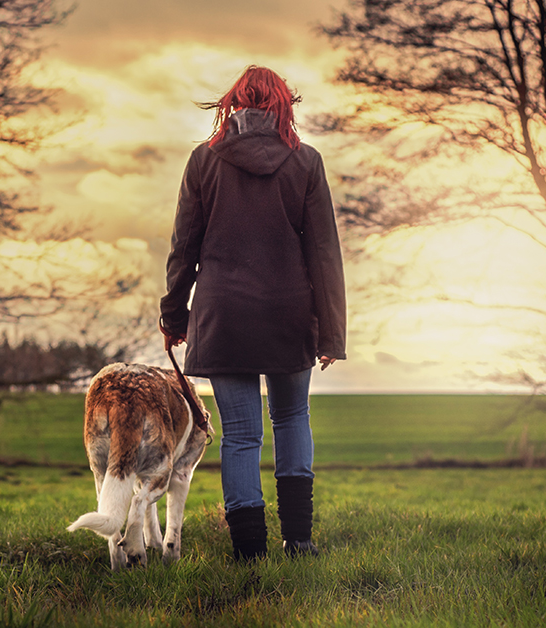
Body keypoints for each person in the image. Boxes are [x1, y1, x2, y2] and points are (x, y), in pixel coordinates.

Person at [158, 66, 347, 562]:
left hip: (224, 316)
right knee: (291, 418)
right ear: (285, 106)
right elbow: (324, 253)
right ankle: (299, 542)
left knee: (241, 435)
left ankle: (249, 554)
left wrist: (174, 316)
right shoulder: (306, 162)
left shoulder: (204, 161)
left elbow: (184, 247)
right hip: (289, 313)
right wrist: (331, 334)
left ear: (233, 105)